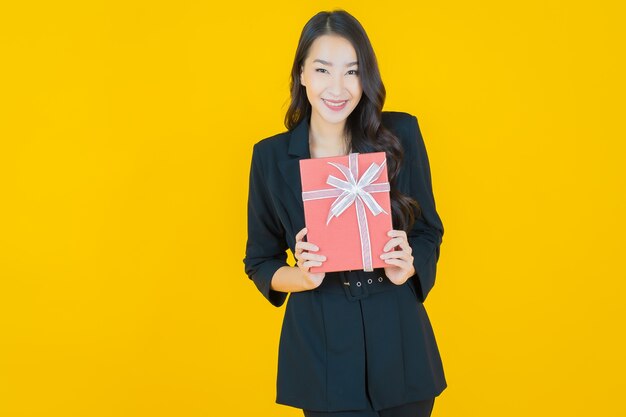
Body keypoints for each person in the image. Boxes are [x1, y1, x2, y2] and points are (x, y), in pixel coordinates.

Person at [243, 9, 446, 417]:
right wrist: (299, 276)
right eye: (322, 69)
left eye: (352, 72)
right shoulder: (269, 158)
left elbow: (428, 233)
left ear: (365, 78)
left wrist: (409, 266)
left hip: (401, 347)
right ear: (301, 74)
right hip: (322, 356)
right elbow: (259, 261)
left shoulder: (400, 135)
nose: (337, 87)